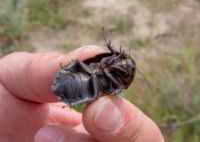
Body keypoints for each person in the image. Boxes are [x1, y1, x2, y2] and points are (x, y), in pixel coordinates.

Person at [0, 45, 164, 142]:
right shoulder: (109, 65)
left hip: (86, 86)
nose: (123, 64)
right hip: (78, 78)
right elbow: (98, 60)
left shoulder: (115, 80)